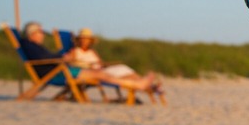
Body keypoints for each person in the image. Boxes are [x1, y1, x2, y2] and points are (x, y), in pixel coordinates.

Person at [20, 22, 162, 97]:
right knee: (102, 75)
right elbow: (44, 59)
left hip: (63, 70)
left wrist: (61, 58)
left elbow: (47, 57)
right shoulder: (30, 45)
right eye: (40, 32)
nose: (42, 35)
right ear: (31, 33)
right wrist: (64, 58)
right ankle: (141, 85)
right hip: (60, 73)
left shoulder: (36, 46)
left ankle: (143, 85)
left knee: (109, 72)